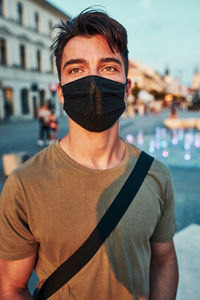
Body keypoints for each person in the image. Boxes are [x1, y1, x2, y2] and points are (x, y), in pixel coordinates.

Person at [0, 9, 178, 300]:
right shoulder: (24, 184)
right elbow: (11, 288)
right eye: (76, 69)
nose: (93, 82)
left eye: (108, 68)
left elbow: (165, 260)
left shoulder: (157, 175)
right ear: (60, 92)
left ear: (126, 89)